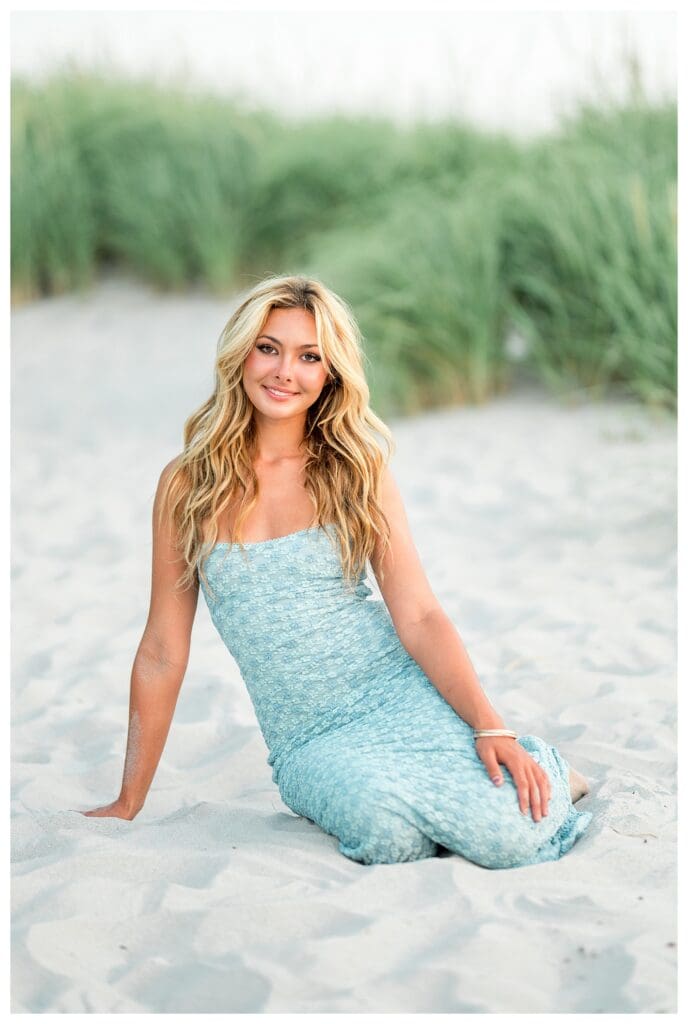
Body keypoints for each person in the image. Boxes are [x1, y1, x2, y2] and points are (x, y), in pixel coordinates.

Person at [81, 274, 592, 867]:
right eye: (268, 347)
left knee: (509, 840)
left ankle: (551, 766)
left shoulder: (356, 470)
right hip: (307, 740)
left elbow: (420, 614)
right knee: (388, 839)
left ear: (329, 374)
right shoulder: (187, 484)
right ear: (240, 353)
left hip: (395, 693)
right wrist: (128, 800)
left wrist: (490, 725)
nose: (283, 372)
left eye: (309, 356)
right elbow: (163, 650)